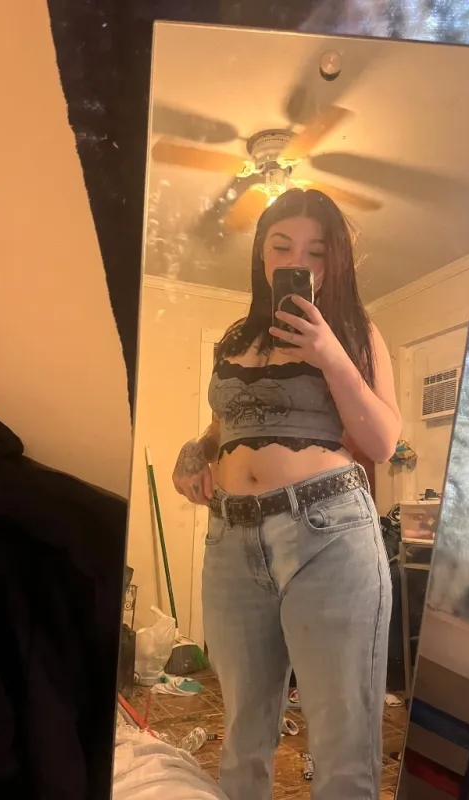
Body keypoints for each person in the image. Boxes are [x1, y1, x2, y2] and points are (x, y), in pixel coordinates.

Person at [172, 188, 401, 800]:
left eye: (315, 252)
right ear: (260, 253)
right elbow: (226, 426)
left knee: (343, 742)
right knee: (242, 733)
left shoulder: (354, 331)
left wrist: (329, 354)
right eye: (281, 246)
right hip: (230, 538)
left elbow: (382, 441)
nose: (297, 261)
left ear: (335, 261)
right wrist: (195, 451)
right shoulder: (235, 339)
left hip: (328, 535)